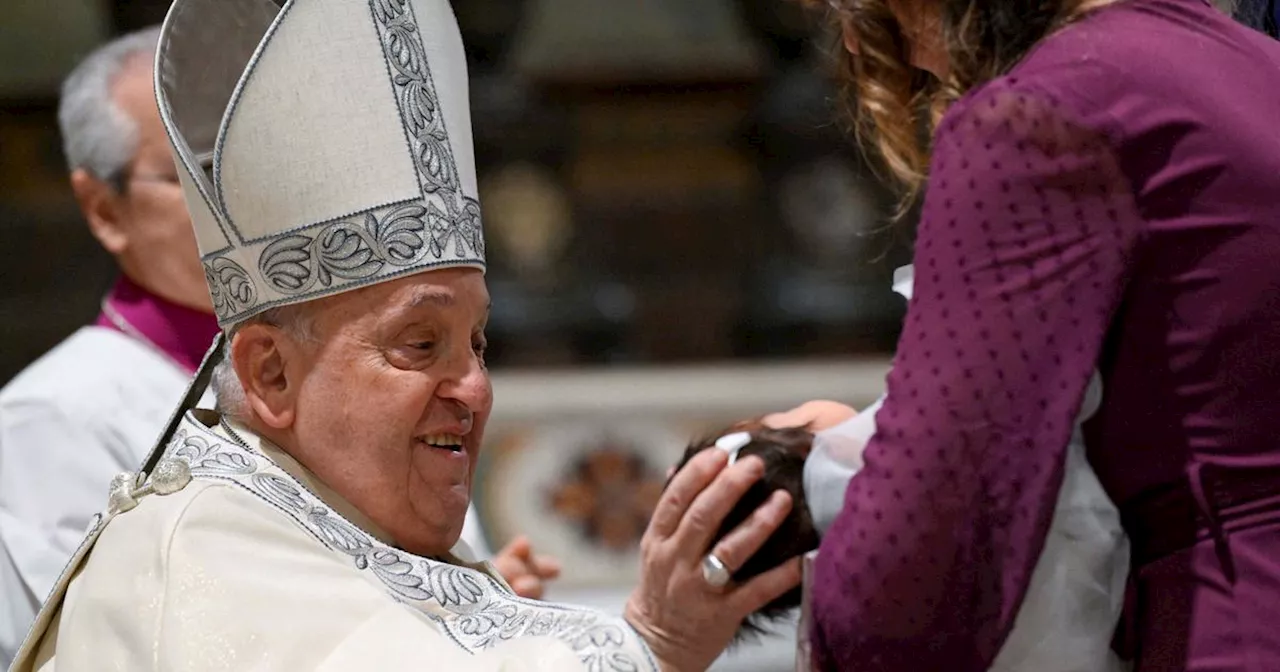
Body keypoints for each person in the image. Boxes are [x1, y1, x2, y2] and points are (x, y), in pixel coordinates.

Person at [8, 0, 799, 669]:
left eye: (478, 344)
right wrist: (653, 641)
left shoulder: (321, 512)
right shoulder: (199, 552)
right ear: (271, 375)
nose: (475, 387)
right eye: (420, 345)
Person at [0, 30, 565, 667]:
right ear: (104, 208)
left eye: (478, 342)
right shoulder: (51, 418)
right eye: (210, 173)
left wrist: (472, 606)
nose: (245, 200)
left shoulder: (386, 372)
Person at [766, 0, 1280, 670]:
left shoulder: (1044, 113)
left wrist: (833, 500)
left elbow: (927, 549)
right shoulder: (1253, 65)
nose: (874, 49)